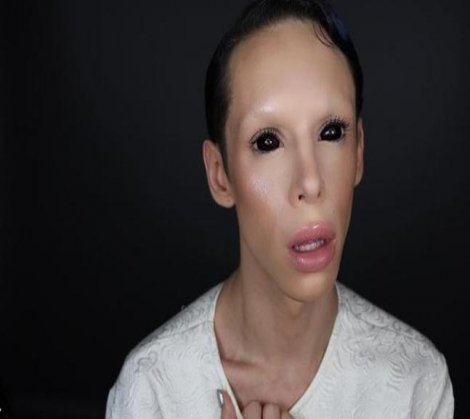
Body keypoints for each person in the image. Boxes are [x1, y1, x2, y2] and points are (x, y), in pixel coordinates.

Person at [106, 0, 454, 417]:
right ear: (220, 174)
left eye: (331, 132)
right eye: (267, 141)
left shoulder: (416, 384)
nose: (310, 182)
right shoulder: (152, 389)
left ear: (359, 151)